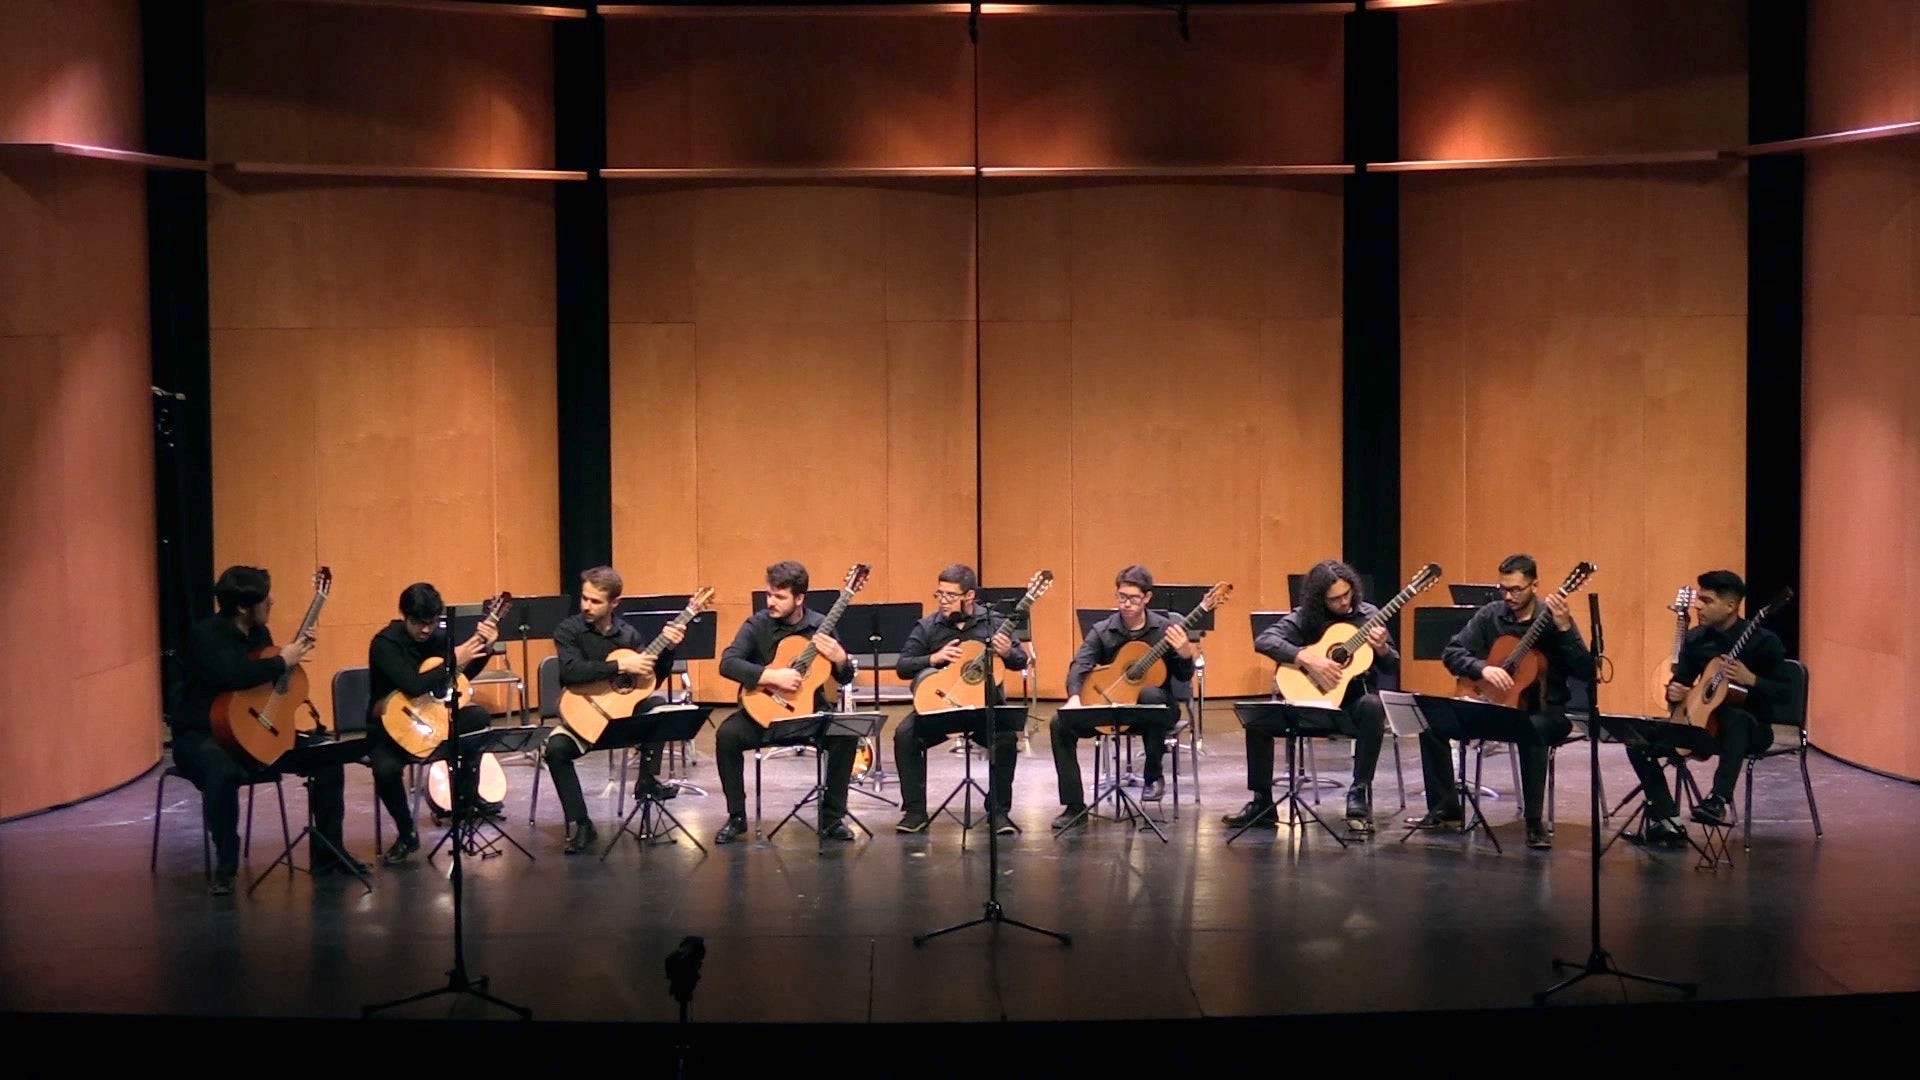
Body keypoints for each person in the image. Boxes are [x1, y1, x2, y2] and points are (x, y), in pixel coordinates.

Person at [171, 565, 360, 894]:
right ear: (244, 607)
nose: (271, 601)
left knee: (327, 756)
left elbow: (266, 683)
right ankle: (227, 864)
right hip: (203, 734)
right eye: (264, 598)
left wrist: (295, 653)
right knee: (221, 770)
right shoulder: (206, 635)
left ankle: (329, 852)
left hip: (255, 729)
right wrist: (280, 661)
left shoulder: (259, 635)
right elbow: (232, 675)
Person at [1411, 553, 1592, 850]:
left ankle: (1534, 821)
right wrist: (1483, 669)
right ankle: (1445, 808)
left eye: (1516, 589)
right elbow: (1452, 652)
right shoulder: (1491, 615)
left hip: (1544, 709)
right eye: (1503, 589)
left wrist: (1564, 628)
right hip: (1494, 706)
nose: (1508, 596)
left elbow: (1585, 670)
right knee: (1432, 725)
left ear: (1535, 585)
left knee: (1532, 731)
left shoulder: (1553, 618)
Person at [1226, 559, 1394, 834]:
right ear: (1320, 599)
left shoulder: (1369, 616)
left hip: (1351, 710)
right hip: (1309, 705)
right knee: (1257, 719)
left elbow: (1391, 665)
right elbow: (1265, 640)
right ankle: (1262, 802)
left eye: (1347, 594)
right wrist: (1307, 659)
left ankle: (1358, 792)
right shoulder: (1306, 617)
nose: (1343, 603)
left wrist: (1384, 649)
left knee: (1373, 705)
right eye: (1335, 599)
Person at [1628, 570, 1789, 847]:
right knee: (1638, 742)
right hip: (1704, 725)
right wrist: (1675, 693)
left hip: (1753, 728)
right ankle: (1667, 820)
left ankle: (1718, 800)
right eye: (1698, 599)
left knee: (1736, 718)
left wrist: (1752, 680)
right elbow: (1681, 687)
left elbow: (1786, 693)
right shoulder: (1696, 638)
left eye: (1706, 600)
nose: (1698, 606)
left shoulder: (1764, 642)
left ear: (1730, 606)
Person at [712, 560, 858, 845]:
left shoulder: (821, 627)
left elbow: (844, 679)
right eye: (769, 594)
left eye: (780, 596)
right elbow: (727, 664)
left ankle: (832, 819)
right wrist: (771, 676)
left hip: (809, 715)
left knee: (846, 734)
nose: (771, 602)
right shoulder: (757, 625)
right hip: (763, 713)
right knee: (726, 735)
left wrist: (841, 659)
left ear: (799, 598)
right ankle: (736, 817)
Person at [547, 566, 684, 854]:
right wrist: (620, 665)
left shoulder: (629, 635)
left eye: (595, 601)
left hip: (620, 721)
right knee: (556, 749)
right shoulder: (568, 630)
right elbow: (570, 672)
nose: (586, 605)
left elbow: (649, 679)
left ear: (614, 603)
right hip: (584, 718)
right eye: (584, 598)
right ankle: (581, 824)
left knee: (657, 707)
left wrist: (668, 649)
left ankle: (646, 783)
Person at [1050, 565, 1194, 830]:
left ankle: (1152, 777)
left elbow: (1184, 677)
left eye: (1134, 598)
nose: (1126, 604)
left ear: (1147, 598)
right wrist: (1073, 697)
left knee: (1150, 694)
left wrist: (1185, 653)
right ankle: (1074, 806)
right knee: (1059, 723)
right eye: (1122, 597)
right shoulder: (1103, 630)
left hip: (1155, 710)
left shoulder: (1166, 630)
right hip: (1112, 706)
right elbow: (1080, 665)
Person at [366, 582, 500, 864]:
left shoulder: (438, 638)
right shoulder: (385, 644)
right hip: (391, 728)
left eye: (432, 622)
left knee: (477, 719)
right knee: (385, 769)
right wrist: (453, 659)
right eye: (418, 623)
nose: (426, 630)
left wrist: (485, 648)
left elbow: (461, 675)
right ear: (404, 616)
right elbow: (413, 685)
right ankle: (406, 834)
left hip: (431, 717)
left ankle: (464, 804)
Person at [892, 564, 1027, 835]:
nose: (943, 601)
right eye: (939, 594)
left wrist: (1009, 654)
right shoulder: (928, 626)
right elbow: (903, 666)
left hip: (983, 708)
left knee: (1005, 739)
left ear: (969, 595)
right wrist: (933, 658)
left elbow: (1020, 660)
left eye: (950, 595)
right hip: (941, 708)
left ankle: (999, 813)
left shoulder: (995, 623)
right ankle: (915, 811)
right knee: (904, 735)